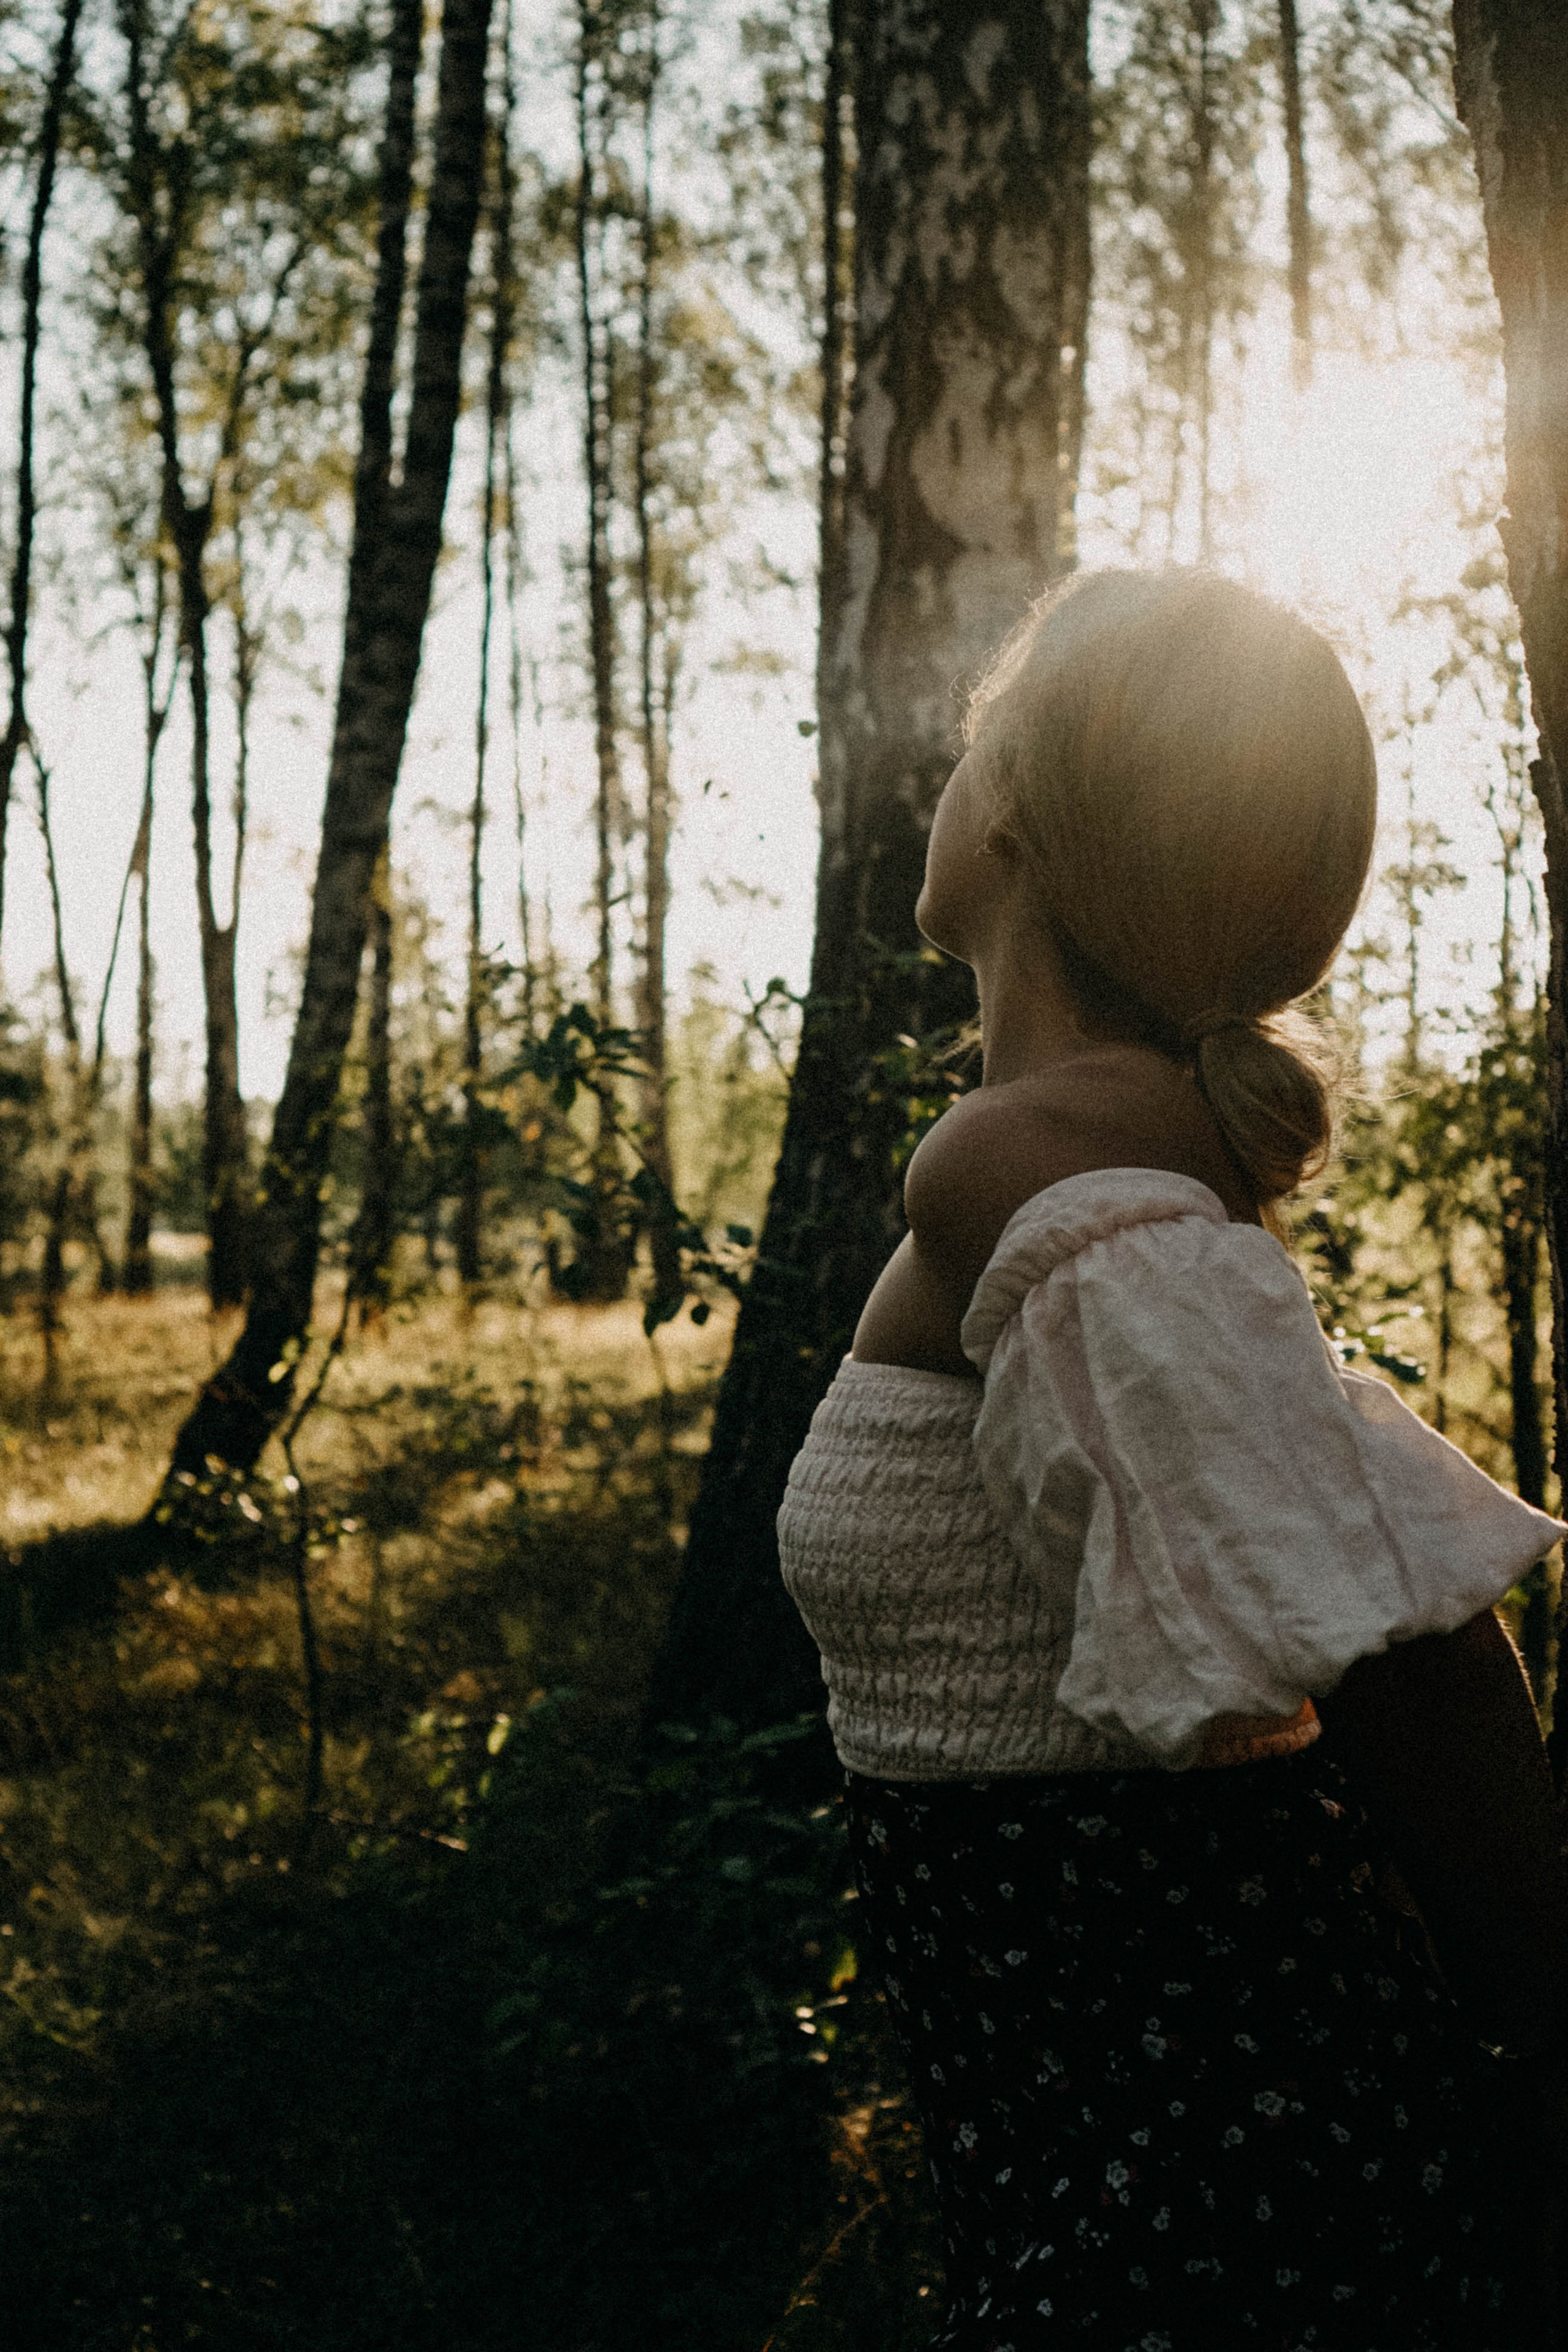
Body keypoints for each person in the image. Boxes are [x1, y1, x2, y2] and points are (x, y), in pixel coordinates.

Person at [777, 569, 1568, 2350]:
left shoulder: (1069, 1196)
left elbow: (1405, 1651)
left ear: (1028, 813)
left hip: (1220, 2184)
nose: (950, 762)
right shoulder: (1063, 1180)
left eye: (983, 729)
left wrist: (1548, 2042)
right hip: (1110, 2144)